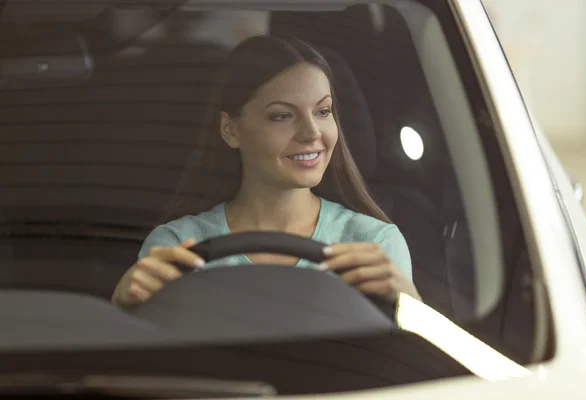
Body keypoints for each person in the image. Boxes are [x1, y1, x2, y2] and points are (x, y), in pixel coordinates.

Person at [111, 35, 420, 309]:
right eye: (282, 116)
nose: (312, 133)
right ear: (231, 130)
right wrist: (123, 305)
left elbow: (418, 361)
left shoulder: (374, 245)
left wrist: (411, 304)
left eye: (323, 111)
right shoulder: (178, 246)